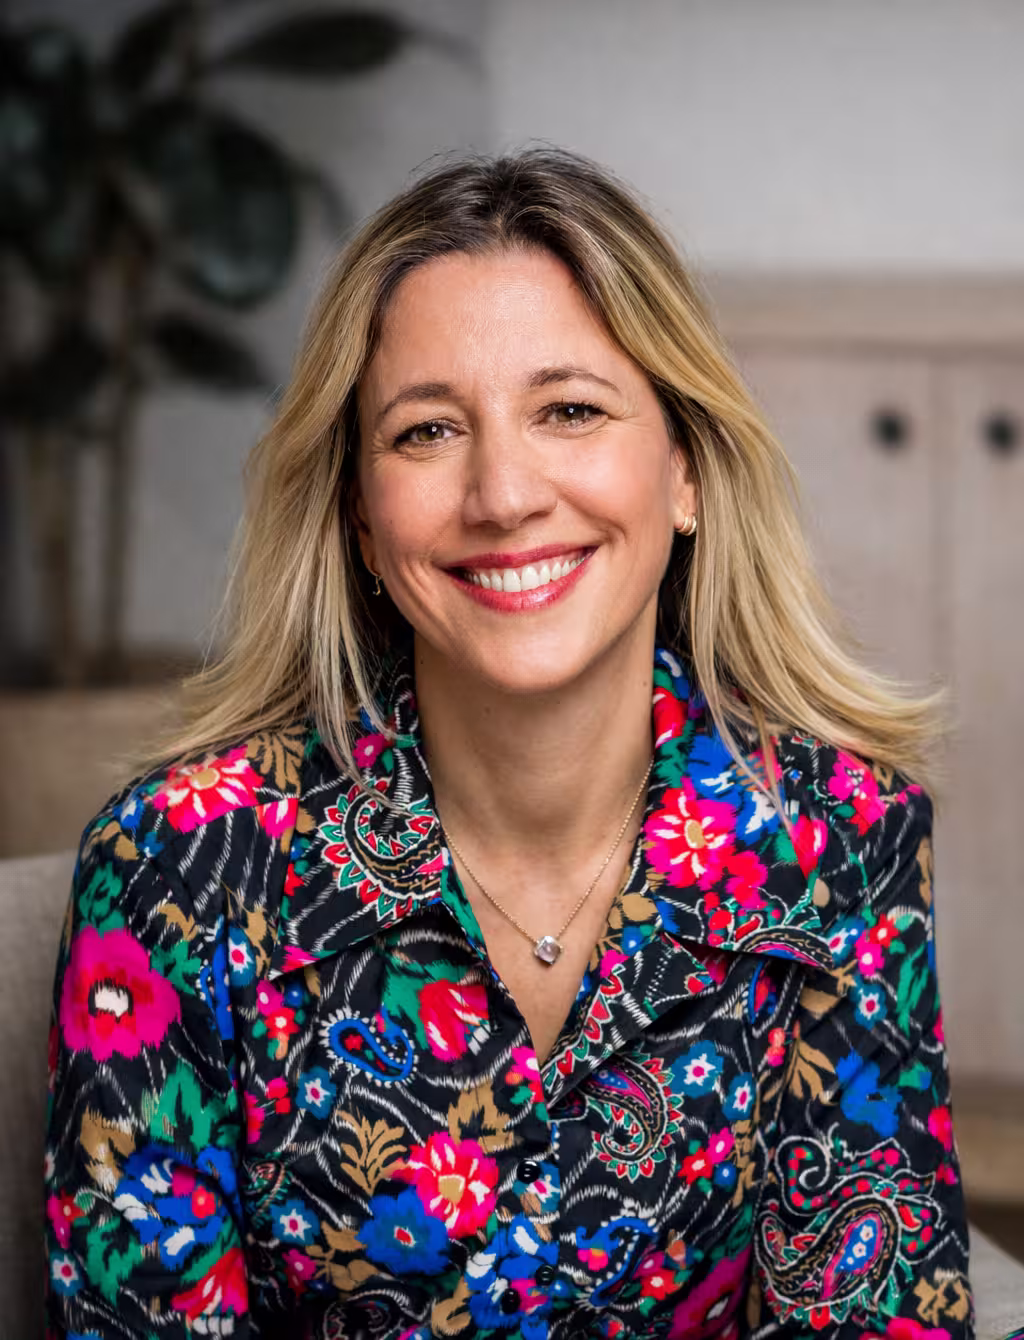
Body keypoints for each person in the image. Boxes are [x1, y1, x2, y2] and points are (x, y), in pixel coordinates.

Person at [44, 147, 974, 1340]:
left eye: (570, 410)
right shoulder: (176, 869)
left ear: (683, 468)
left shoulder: (843, 839)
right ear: (363, 524)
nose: (501, 492)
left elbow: (871, 1311)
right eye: (428, 431)